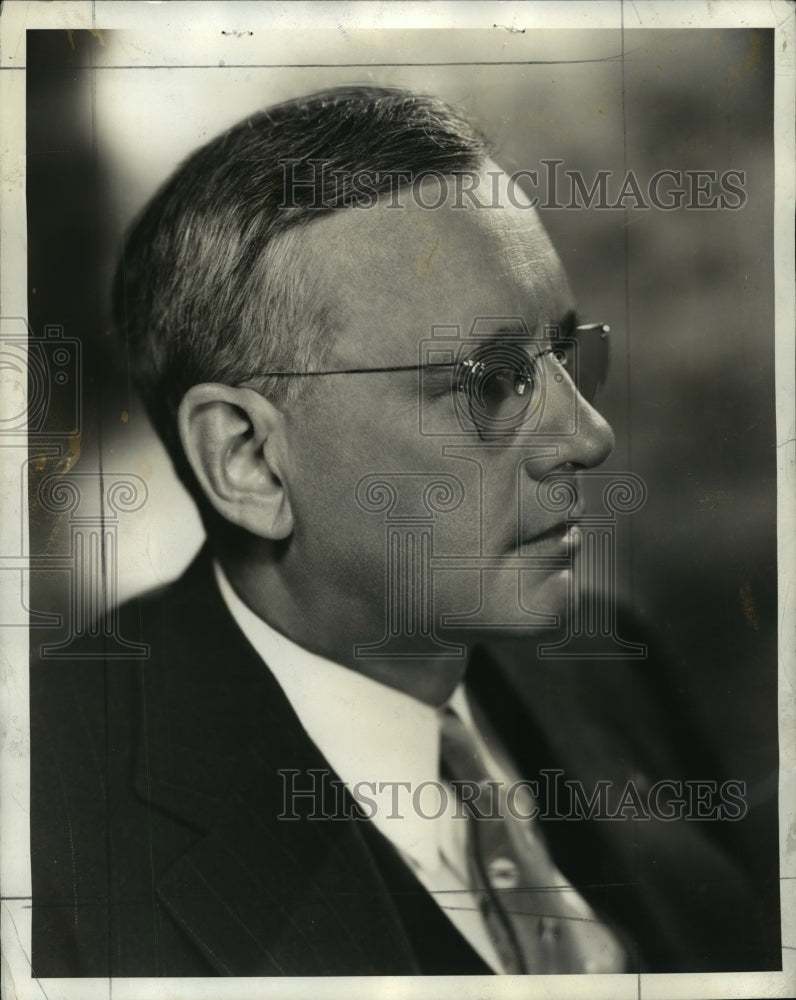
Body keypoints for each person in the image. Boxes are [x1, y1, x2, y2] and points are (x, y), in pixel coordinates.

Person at [30, 85, 777, 977]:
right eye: (489, 383)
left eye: (566, 354)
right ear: (248, 461)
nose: (587, 436)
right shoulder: (44, 821)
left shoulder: (611, 672)